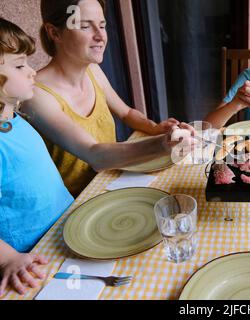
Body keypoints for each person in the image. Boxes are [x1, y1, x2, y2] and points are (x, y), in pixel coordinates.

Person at [0, 18, 191, 296]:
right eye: (19, 65)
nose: (31, 72)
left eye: (103, 24)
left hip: (65, 224)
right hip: (30, 253)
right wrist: (8, 258)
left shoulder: (14, 119)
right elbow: (92, 153)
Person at [22, 0, 183, 196]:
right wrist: (163, 144)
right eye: (84, 26)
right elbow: (94, 154)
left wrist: (154, 127)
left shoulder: (92, 70)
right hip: (77, 202)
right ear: (54, 33)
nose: (100, 36)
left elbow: (126, 113)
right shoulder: (35, 95)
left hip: (112, 180)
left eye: (102, 25)